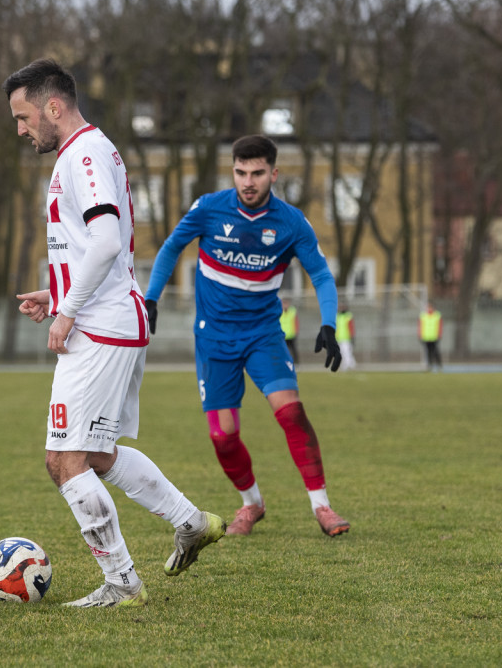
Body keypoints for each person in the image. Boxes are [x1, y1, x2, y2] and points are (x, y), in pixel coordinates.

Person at [3, 59, 225, 608]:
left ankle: (123, 583)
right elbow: (96, 248)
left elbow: (105, 243)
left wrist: (68, 311)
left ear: (53, 107)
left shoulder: (83, 154)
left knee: (64, 462)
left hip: (100, 328)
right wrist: (56, 296)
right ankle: (192, 522)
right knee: (96, 454)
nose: (21, 129)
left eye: (24, 116)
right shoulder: (86, 153)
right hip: (108, 320)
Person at [144, 134, 350, 538]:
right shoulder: (208, 208)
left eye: (257, 173)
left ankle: (322, 506)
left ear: (273, 173)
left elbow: (322, 274)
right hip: (214, 339)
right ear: (232, 172)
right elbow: (170, 248)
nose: (248, 181)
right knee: (223, 437)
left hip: (262, 335)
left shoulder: (291, 222)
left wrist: (329, 323)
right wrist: (151, 298)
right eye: (241, 172)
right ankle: (252, 503)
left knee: (291, 412)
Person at [419, 302, 443, 371]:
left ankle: (439, 365)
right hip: (426, 337)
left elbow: (440, 325)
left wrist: (439, 334)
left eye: (430, 307)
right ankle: (430, 365)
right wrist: (420, 334)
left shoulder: (437, 315)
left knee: (435, 351)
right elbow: (420, 326)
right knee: (428, 352)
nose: (429, 309)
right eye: (428, 307)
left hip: (434, 337)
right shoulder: (423, 315)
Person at [336, 303, 356, 371]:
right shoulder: (338, 316)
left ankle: (347, 365)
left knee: (346, 351)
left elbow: (351, 327)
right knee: (342, 352)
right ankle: (352, 364)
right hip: (339, 337)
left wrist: (352, 335)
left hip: (346, 337)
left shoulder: (348, 316)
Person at [280, 298, 299, 364]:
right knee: (283, 350)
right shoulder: (279, 311)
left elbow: (296, 322)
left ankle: (296, 362)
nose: (285, 305)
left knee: (293, 349)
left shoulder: (292, 311)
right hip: (283, 335)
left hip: (291, 334)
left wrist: (296, 331)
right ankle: (284, 362)